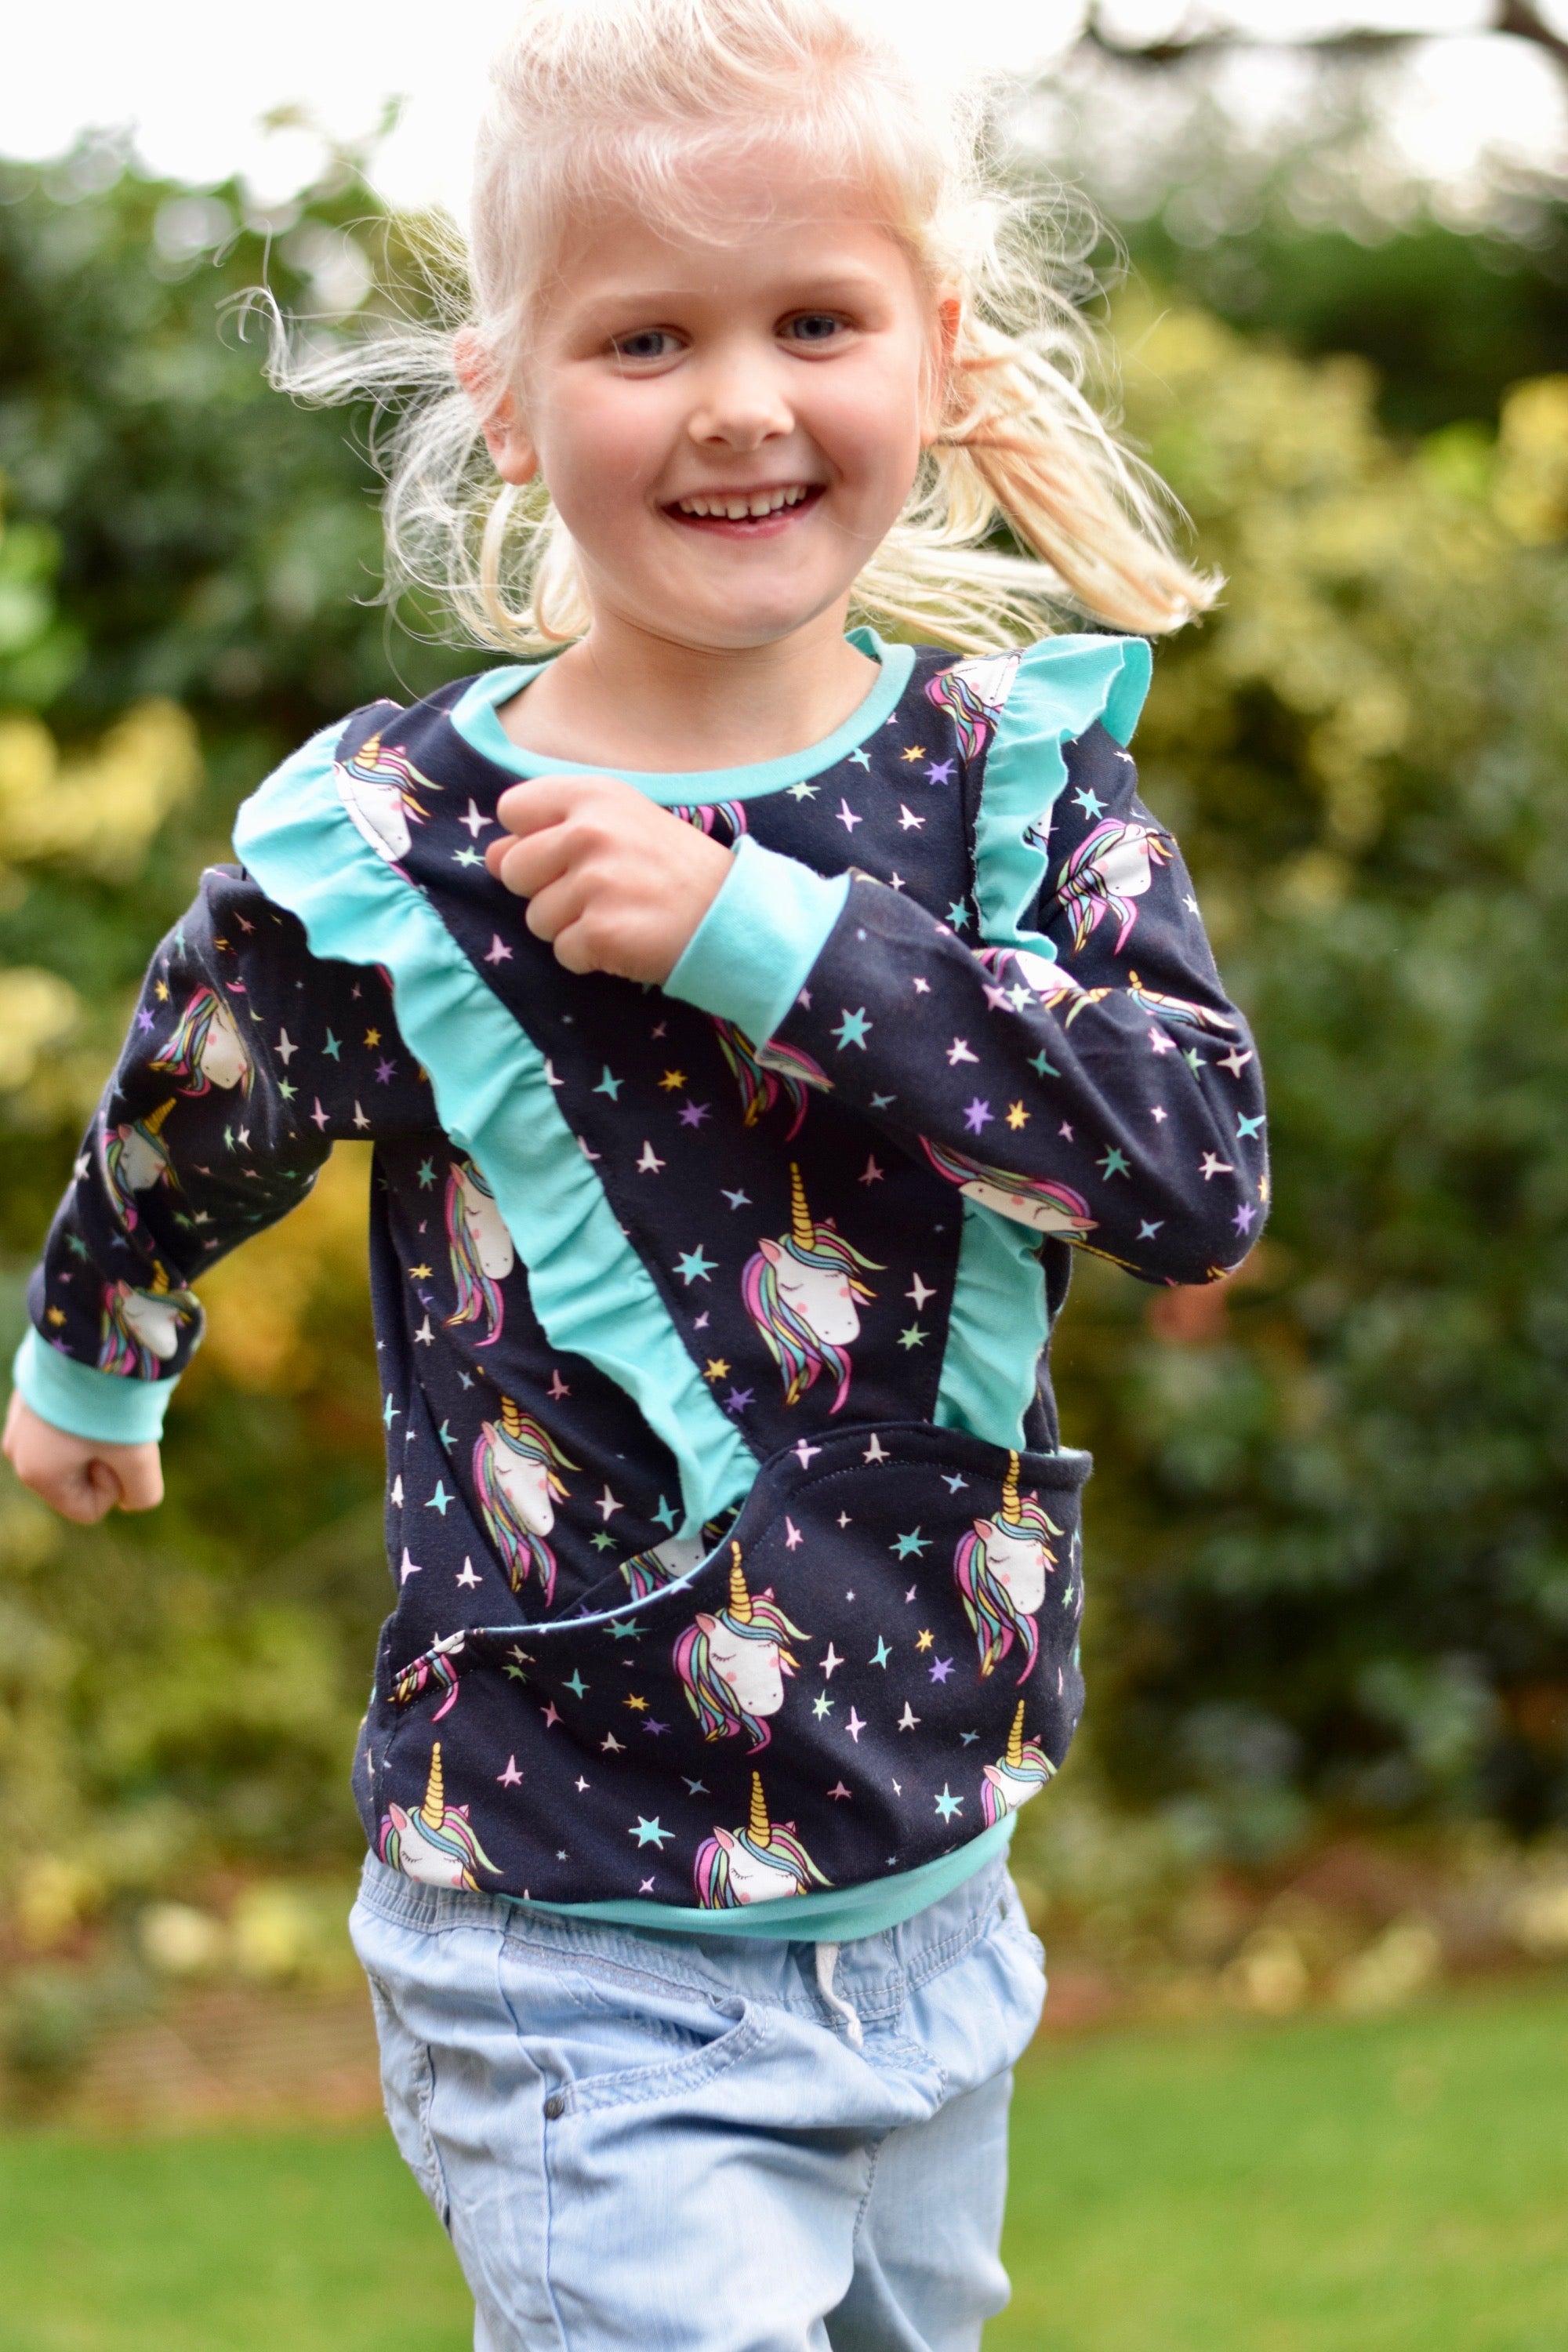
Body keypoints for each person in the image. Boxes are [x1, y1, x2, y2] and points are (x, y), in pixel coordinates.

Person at [3, 0, 1268, 2341]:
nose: (740, 402)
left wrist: (762, 936)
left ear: (937, 350)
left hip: (933, 1881)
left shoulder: (1013, 786)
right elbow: (197, 1093)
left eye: (815, 322)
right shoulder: (404, 847)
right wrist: (97, 1353)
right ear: (507, 394)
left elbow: (1192, 1169)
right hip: (567, 1923)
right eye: (646, 338)